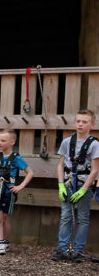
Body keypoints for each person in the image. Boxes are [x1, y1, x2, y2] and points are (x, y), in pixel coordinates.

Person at [54, 109, 98, 262]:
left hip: (83, 184)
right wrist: (60, 185)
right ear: (74, 123)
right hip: (67, 183)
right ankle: (62, 248)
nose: (80, 124)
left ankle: (78, 250)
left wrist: (84, 189)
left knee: (82, 217)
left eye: (84, 122)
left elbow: (95, 170)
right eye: (78, 121)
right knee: (65, 216)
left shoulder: (94, 144)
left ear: (91, 124)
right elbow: (60, 165)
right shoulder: (67, 142)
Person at [0, 129, 33, 256]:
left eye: (3, 141)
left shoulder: (16, 158)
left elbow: (30, 172)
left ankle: (5, 242)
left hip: (8, 191)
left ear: (12, 142)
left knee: (5, 217)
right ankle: (0, 242)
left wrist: (20, 186)